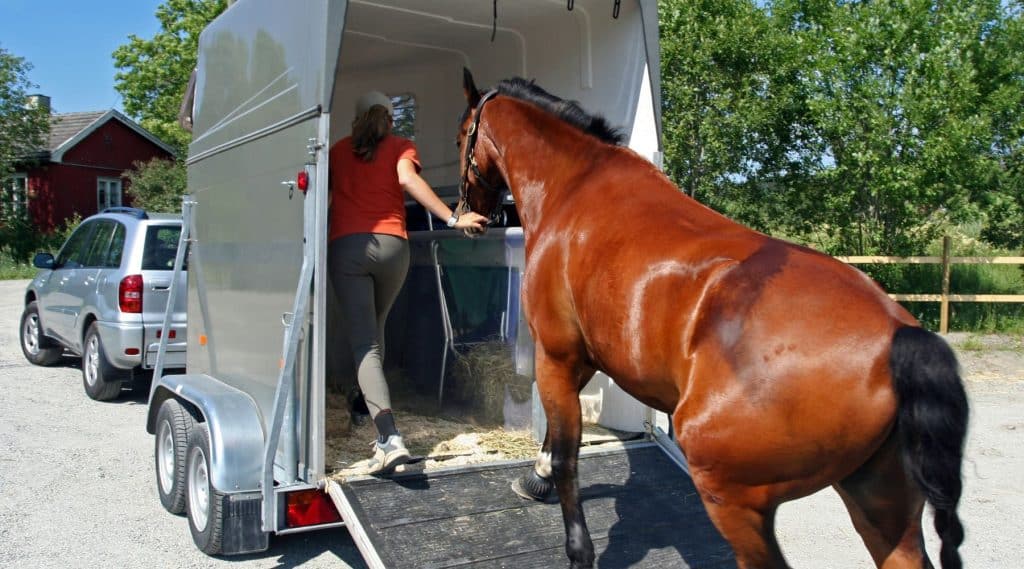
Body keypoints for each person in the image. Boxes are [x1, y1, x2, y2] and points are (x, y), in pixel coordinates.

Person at [329, 91, 488, 474]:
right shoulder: (401, 146)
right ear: (389, 118)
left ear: (356, 119)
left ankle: (388, 438)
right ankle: (362, 400)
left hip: (349, 246)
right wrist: (453, 218)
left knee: (365, 344)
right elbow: (407, 180)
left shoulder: (337, 151)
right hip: (394, 248)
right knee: (377, 332)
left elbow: (327, 198)